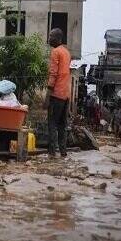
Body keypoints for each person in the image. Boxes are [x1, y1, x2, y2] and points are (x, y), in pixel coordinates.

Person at [45, 28, 72, 158]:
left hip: (56, 94)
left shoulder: (56, 52)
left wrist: (47, 96)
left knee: (52, 124)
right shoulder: (67, 53)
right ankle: (63, 152)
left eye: (51, 36)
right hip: (66, 95)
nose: (49, 38)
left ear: (58, 39)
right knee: (62, 125)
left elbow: (53, 74)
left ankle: (51, 153)